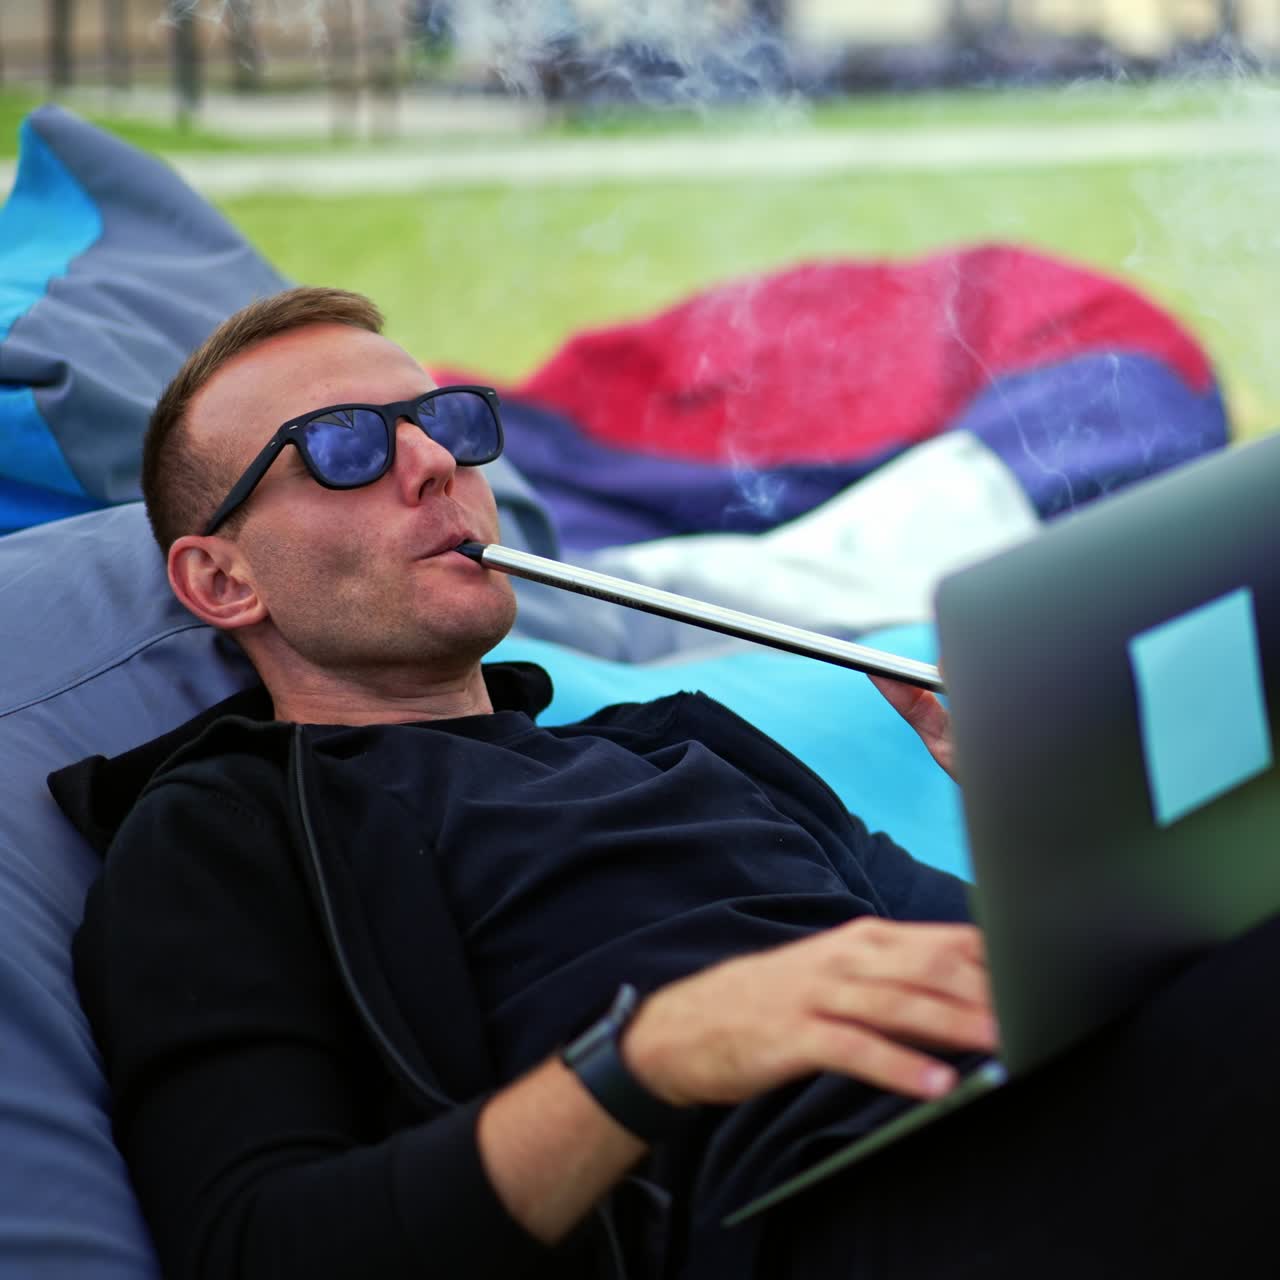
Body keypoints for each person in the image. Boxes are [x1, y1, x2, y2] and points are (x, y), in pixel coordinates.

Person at [66, 287, 1277, 1280]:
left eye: (446, 419)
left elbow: (1000, 976)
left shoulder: (671, 740)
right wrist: (647, 1056)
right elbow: (254, 1245)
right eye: (343, 446)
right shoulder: (222, 829)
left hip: (1014, 1132)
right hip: (809, 1219)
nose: (436, 463)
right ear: (222, 580)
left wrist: (1060, 814)